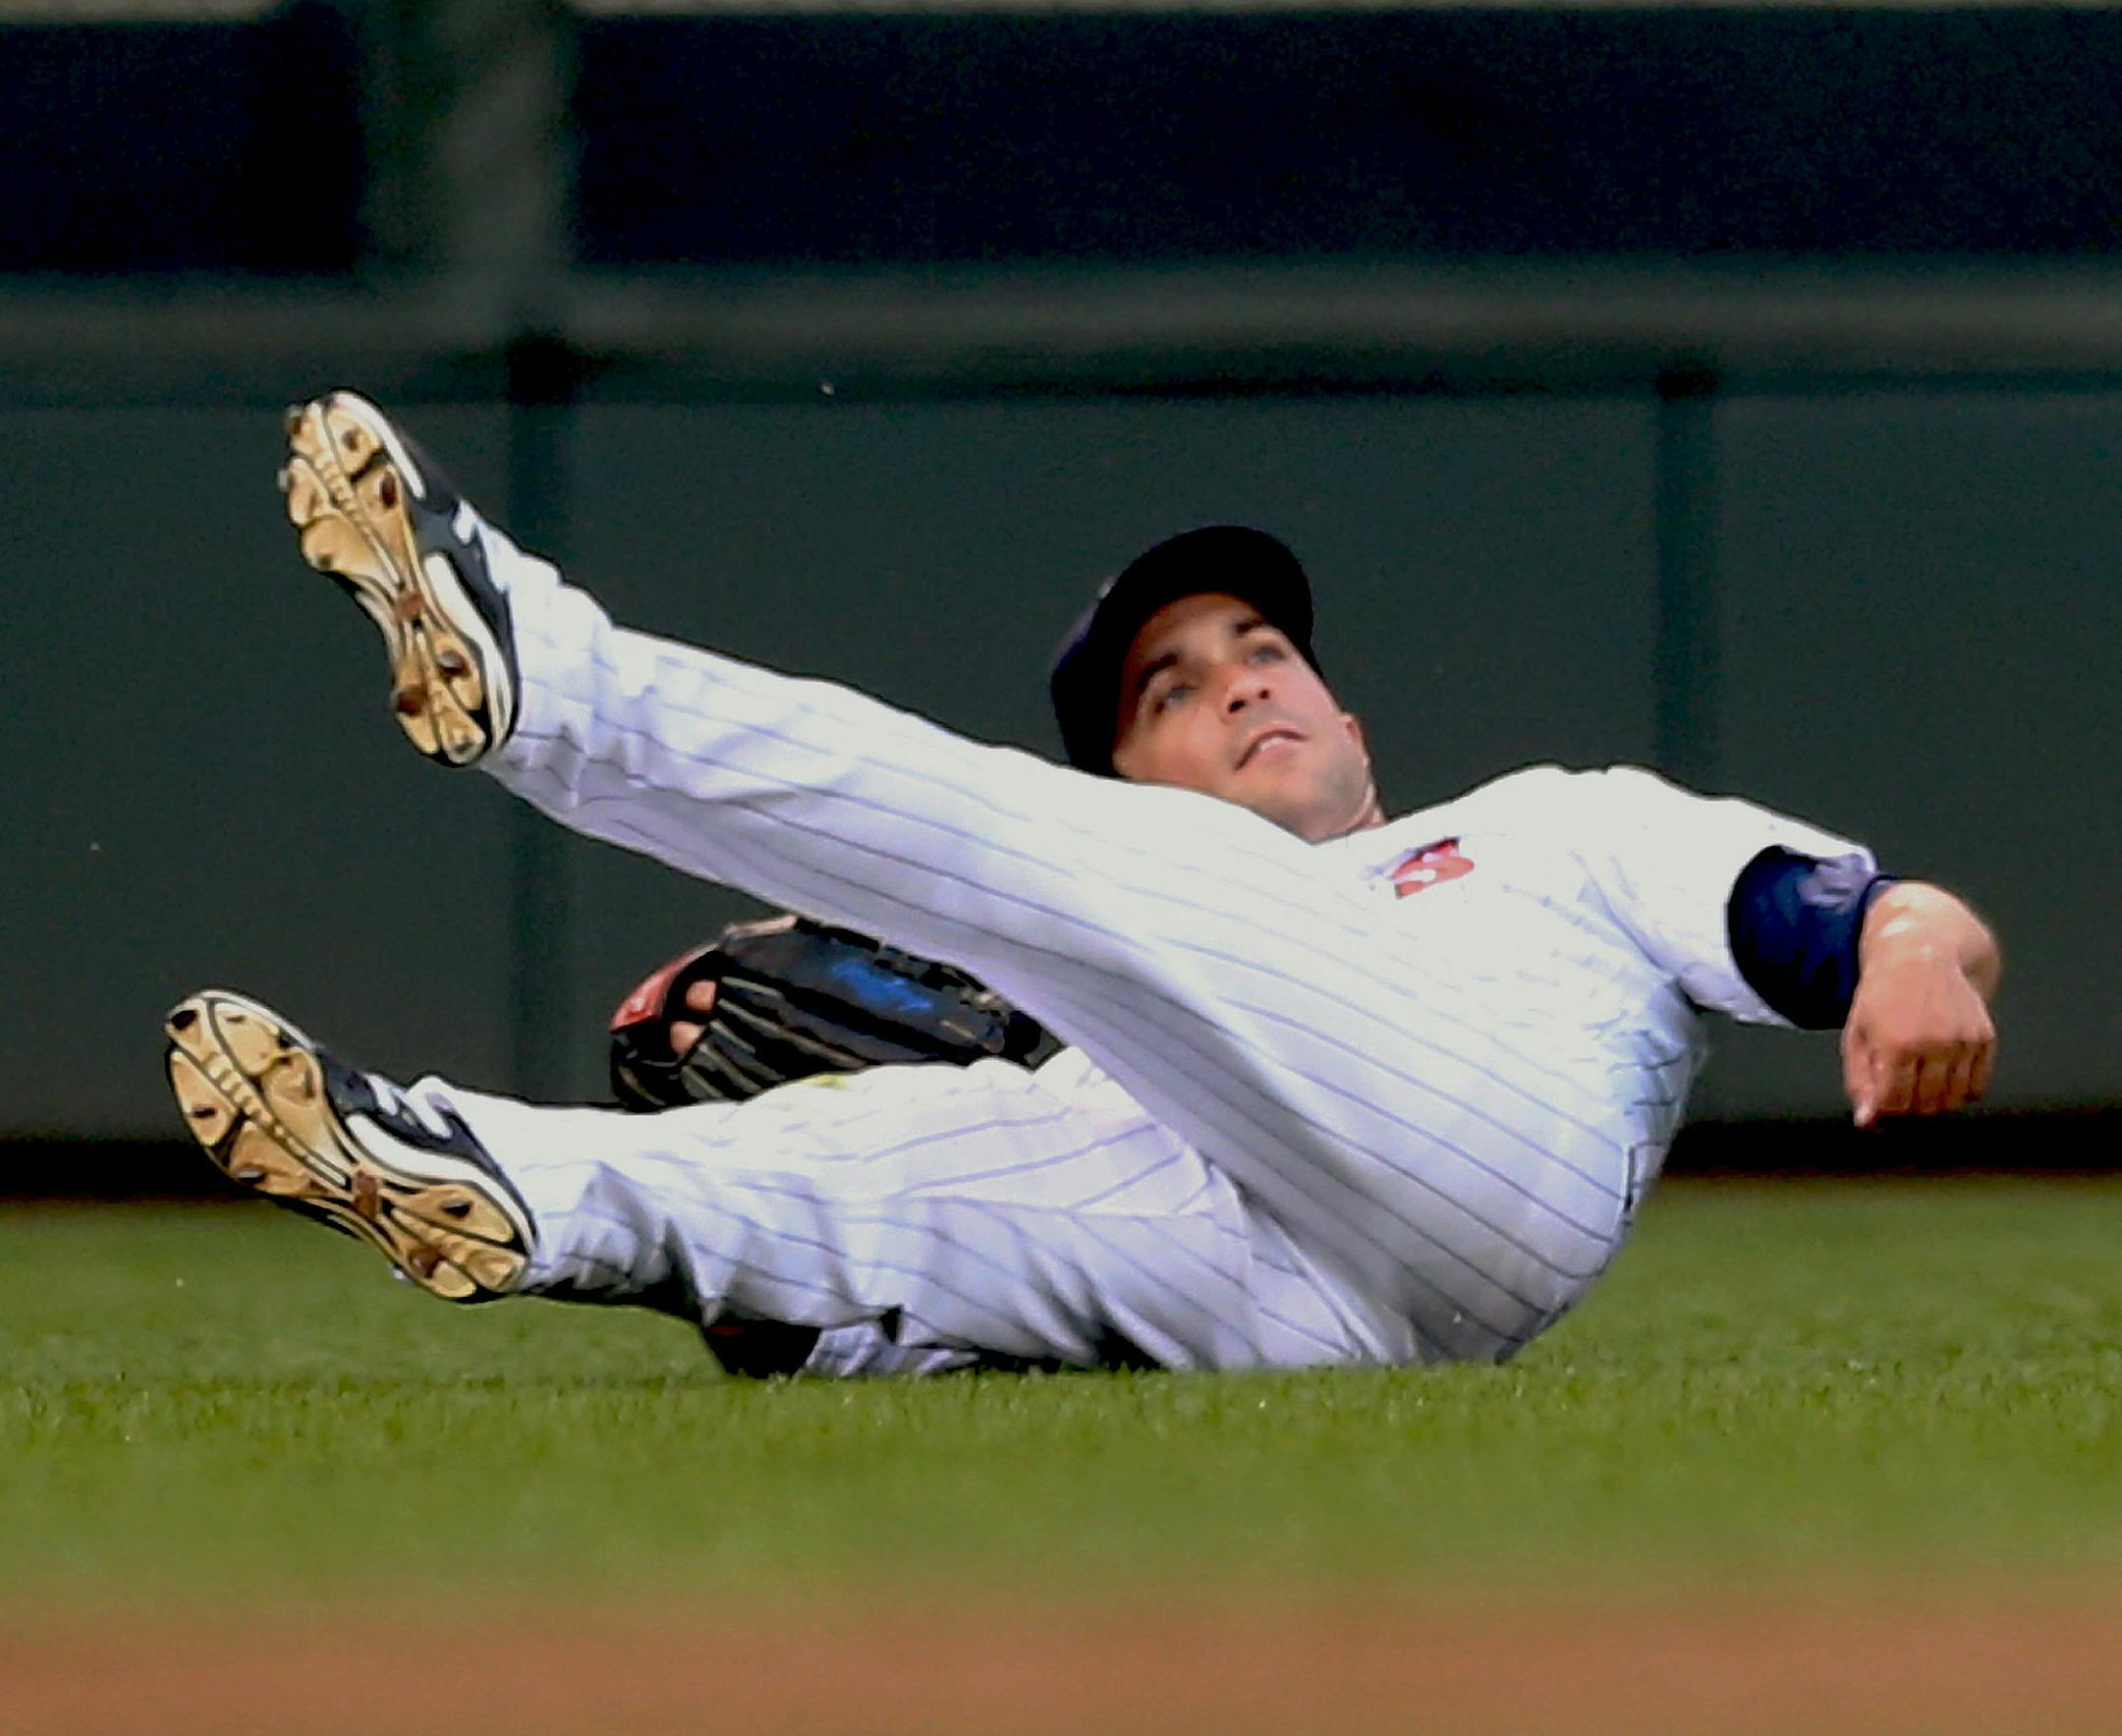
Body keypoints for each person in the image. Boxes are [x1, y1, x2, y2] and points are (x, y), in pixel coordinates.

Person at [165, 391, 2001, 1377]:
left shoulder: (1547, 824)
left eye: (1260, 648)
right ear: (1123, 771)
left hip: (1493, 1150)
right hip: (1309, 1307)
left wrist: (1916, 941)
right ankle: (470, 1175)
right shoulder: (1136, 965)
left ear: (1347, 705)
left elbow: (1838, 919)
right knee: (858, 1173)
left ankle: (548, 687)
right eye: (1174, 691)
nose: (1239, 685)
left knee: (1062, 905)